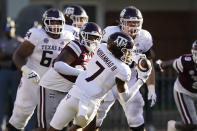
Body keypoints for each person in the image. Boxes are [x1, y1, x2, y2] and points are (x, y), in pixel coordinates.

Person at [47, 31, 152, 131]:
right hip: (90, 103)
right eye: (127, 51)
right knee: (76, 128)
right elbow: (125, 98)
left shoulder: (100, 48)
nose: (129, 54)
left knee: (53, 128)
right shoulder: (124, 70)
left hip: (74, 94)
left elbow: (113, 55)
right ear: (120, 50)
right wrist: (141, 80)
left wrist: (135, 57)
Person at [87, 6, 156, 131]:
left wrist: (151, 88)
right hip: (107, 78)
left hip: (129, 80)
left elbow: (149, 62)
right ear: (122, 22)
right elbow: (96, 53)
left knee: (135, 114)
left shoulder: (144, 37)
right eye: (130, 22)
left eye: (136, 22)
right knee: (96, 114)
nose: (133, 26)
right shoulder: (110, 32)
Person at [7, 8, 74, 131]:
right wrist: (26, 71)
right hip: (33, 80)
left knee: (53, 122)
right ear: (44, 22)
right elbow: (18, 55)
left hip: (53, 84)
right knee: (19, 118)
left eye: (58, 22)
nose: (55, 26)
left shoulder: (68, 37)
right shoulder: (37, 34)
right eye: (51, 22)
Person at [38, 22, 102, 130]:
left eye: (96, 38)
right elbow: (58, 65)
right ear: (82, 35)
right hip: (52, 87)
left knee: (71, 125)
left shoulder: (92, 53)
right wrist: (81, 73)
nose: (93, 40)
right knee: (48, 127)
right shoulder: (76, 45)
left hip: (71, 91)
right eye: (90, 37)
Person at [156, 40, 197, 131]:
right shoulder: (185, 62)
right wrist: (161, 65)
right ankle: (173, 126)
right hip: (184, 91)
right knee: (191, 124)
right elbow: (172, 63)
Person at [0, 17, 23, 131]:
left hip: (16, 72)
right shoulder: (1, 40)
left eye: (11, 27)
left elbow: (22, 57)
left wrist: (9, 55)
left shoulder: (19, 41)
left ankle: (15, 127)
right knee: (1, 100)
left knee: (16, 101)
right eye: (7, 27)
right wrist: (14, 55)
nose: (9, 30)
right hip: (3, 71)